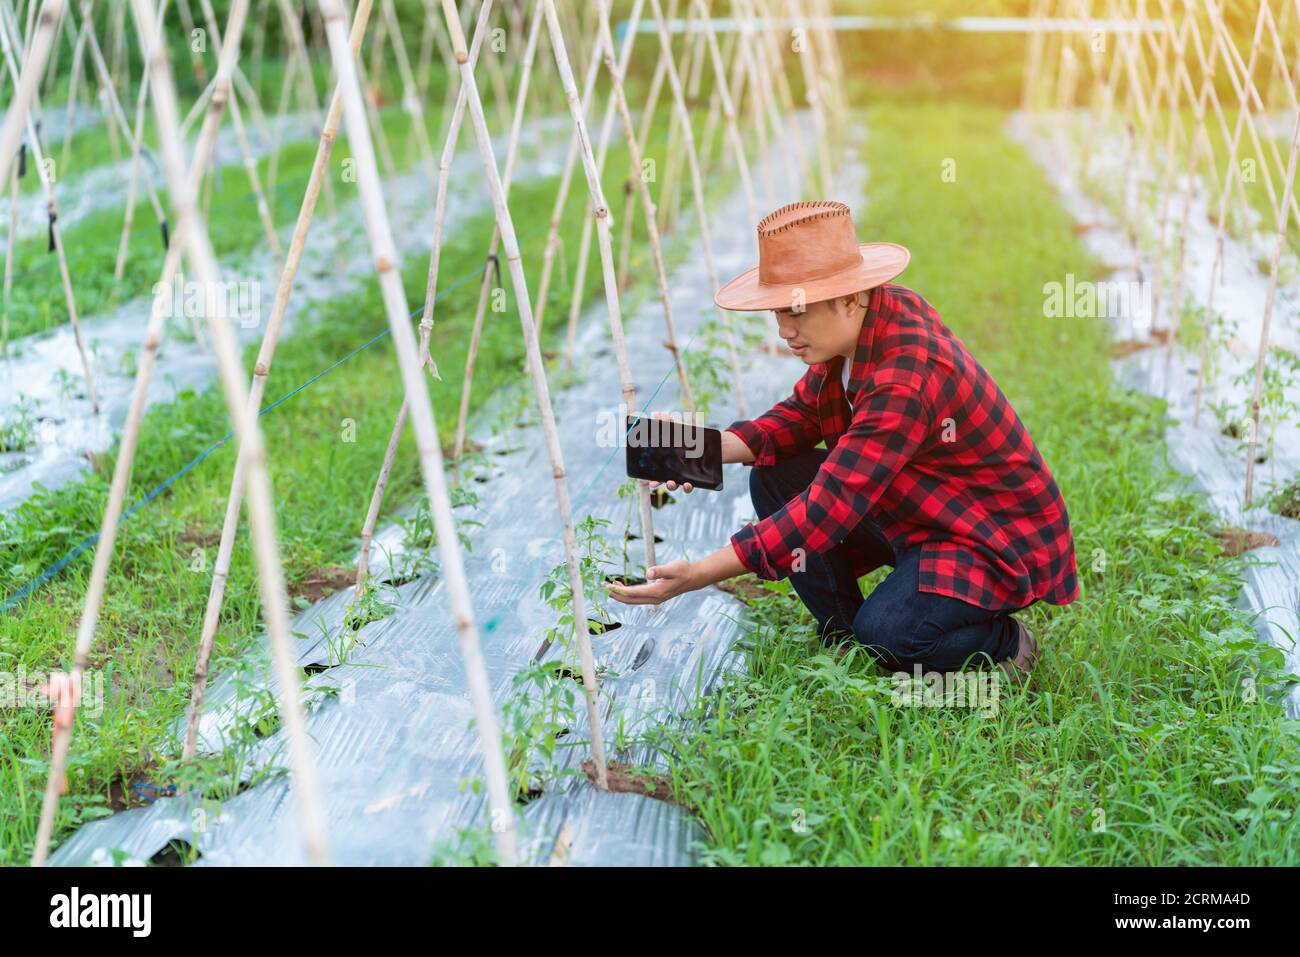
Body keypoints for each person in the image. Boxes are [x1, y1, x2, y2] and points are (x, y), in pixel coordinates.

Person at [607, 200, 1078, 679]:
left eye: (797, 312)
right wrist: (697, 450)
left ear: (849, 297)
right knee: (777, 477)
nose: (784, 330)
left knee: (893, 634)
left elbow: (829, 506)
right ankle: (848, 639)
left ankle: (1003, 644)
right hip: (924, 512)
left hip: (986, 536)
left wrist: (697, 574)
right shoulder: (864, 325)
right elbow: (799, 418)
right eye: (777, 313)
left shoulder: (905, 376)